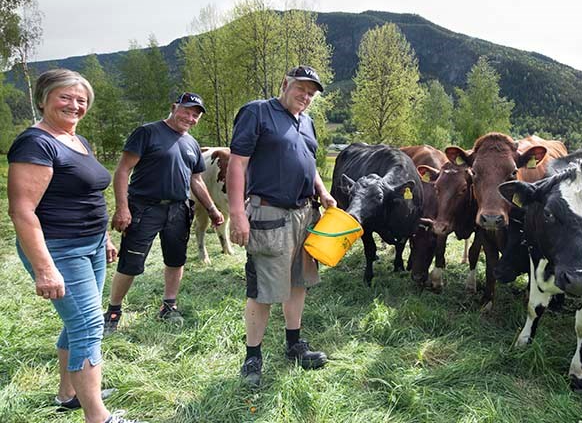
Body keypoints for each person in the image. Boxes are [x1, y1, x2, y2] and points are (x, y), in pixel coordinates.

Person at [7, 69, 145, 423]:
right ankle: (98, 417)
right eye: (65, 97)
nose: (74, 105)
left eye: (81, 100)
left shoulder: (77, 140)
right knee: (88, 326)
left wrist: (105, 238)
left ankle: (69, 394)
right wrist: (44, 268)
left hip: (91, 245)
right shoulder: (36, 143)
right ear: (43, 99)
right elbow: (21, 211)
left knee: (77, 322)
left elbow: (87, 194)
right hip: (60, 248)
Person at [228, 65, 337, 386]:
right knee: (263, 290)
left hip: (305, 213)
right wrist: (237, 213)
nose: (306, 96)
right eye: (301, 88)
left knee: (298, 281)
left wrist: (322, 191)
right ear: (285, 84)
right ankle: (252, 358)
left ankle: (294, 344)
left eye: (311, 93)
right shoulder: (258, 112)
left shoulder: (307, 122)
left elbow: (308, 163)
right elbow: (238, 162)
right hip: (269, 213)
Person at [102, 92, 223, 334]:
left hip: (179, 209)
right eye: (187, 111)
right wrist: (122, 207)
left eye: (195, 115)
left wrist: (212, 209)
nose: (190, 118)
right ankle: (113, 311)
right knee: (131, 262)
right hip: (144, 208)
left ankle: (169, 306)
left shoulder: (192, 144)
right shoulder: (147, 133)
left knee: (176, 260)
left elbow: (196, 180)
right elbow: (123, 170)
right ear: (174, 107)